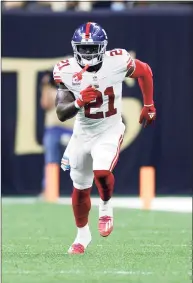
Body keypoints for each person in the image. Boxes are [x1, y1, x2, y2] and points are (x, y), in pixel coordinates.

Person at [53, 22, 156, 254]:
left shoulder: (117, 61)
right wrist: (79, 101)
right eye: (83, 48)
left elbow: (145, 71)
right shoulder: (66, 70)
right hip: (82, 133)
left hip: (109, 128)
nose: (87, 53)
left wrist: (149, 103)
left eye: (92, 48)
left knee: (101, 171)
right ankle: (82, 235)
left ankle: (106, 206)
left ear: (103, 47)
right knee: (80, 188)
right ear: (74, 47)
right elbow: (61, 113)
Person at [40, 71, 73, 200]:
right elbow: (45, 104)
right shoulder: (51, 90)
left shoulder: (75, 90)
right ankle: (48, 190)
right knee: (51, 159)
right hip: (53, 129)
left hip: (71, 130)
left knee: (77, 161)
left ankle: (80, 190)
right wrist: (45, 86)